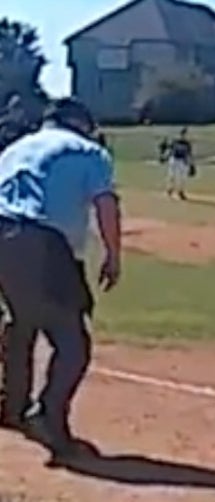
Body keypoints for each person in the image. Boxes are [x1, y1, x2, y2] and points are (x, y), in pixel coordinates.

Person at [0, 97, 122, 457]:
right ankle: (49, 415)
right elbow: (106, 204)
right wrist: (113, 255)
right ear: (80, 124)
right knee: (71, 340)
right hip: (41, 241)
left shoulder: (15, 147)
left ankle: (11, 404)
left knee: (20, 322)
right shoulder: (88, 151)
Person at [164, 127, 194, 200]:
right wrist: (165, 156)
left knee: (183, 178)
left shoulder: (187, 144)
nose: (184, 135)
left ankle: (181, 192)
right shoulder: (175, 141)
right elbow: (170, 150)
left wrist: (191, 164)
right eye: (183, 134)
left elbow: (189, 154)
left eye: (185, 134)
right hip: (174, 159)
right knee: (172, 175)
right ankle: (170, 189)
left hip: (183, 161)